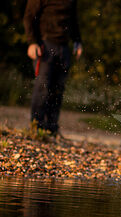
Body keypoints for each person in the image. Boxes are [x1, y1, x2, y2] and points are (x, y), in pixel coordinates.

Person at [24, 0, 83, 135]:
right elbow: (29, 16)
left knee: (58, 89)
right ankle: (36, 128)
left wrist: (77, 41)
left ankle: (52, 128)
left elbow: (73, 19)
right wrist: (32, 42)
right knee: (43, 87)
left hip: (64, 47)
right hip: (45, 44)